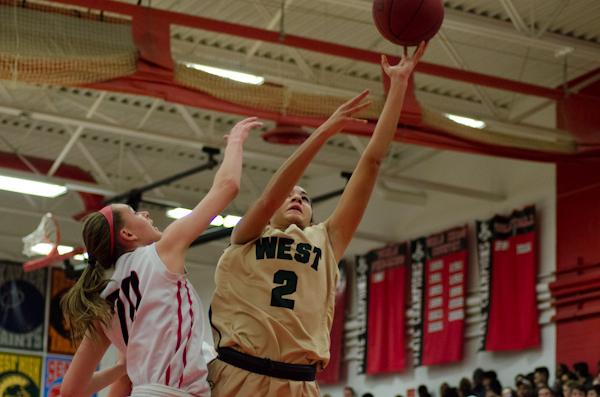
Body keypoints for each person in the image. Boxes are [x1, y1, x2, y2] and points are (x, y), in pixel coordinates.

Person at [207, 42, 427, 397]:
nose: (297, 197)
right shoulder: (246, 237)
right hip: (239, 375)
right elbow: (267, 198)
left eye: (305, 197)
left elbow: (371, 163)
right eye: (290, 194)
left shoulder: (326, 241)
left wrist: (398, 86)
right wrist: (324, 131)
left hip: (300, 383)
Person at [59, 117, 260, 397]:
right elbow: (227, 186)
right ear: (128, 235)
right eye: (135, 213)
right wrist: (236, 141)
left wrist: (124, 367)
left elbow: (70, 391)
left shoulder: (103, 300)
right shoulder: (160, 252)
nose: (145, 214)